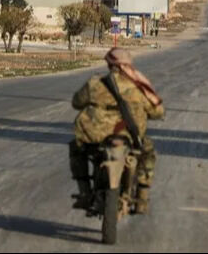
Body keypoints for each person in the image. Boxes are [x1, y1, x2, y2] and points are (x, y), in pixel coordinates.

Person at [69, 48, 164, 214]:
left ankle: (84, 190)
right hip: (127, 136)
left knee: (76, 148)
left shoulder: (95, 83)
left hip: (94, 136)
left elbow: (77, 102)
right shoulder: (137, 87)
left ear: (109, 65)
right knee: (147, 153)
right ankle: (141, 198)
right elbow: (157, 112)